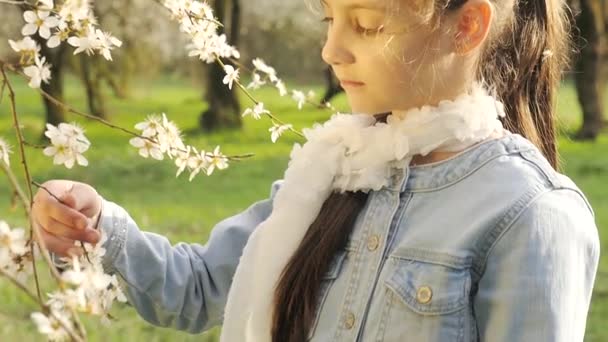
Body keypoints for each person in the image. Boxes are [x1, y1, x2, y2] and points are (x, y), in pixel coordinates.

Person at [31, 0, 601, 341]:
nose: (332, 49)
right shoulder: (331, 171)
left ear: (467, 26)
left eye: (367, 23)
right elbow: (199, 288)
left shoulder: (528, 214)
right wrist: (96, 225)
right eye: (330, 17)